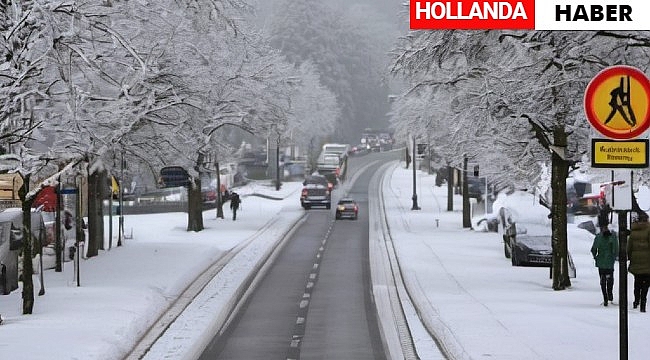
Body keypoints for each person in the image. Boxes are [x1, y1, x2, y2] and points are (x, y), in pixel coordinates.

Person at [591, 221, 618, 306]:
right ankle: (610, 295)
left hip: (601, 262)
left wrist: (596, 257)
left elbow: (593, 249)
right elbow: (616, 250)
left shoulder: (598, 237)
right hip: (609, 262)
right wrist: (613, 257)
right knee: (610, 279)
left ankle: (605, 298)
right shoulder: (613, 237)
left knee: (602, 280)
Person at [628, 211, 650, 312]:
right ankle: (643, 303)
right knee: (646, 284)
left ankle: (636, 301)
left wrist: (630, 257)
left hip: (636, 261)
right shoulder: (648, 230)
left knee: (637, 282)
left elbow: (629, 247)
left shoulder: (634, 231)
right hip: (647, 262)